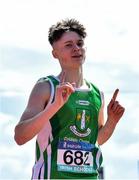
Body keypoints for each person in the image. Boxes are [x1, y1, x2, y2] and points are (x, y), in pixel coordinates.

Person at [14, 19, 125, 179]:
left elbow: (95, 140)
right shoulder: (47, 87)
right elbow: (20, 136)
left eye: (80, 43)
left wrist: (112, 121)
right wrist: (55, 106)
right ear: (55, 53)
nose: (76, 49)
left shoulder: (96, 93)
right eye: (68, 45)